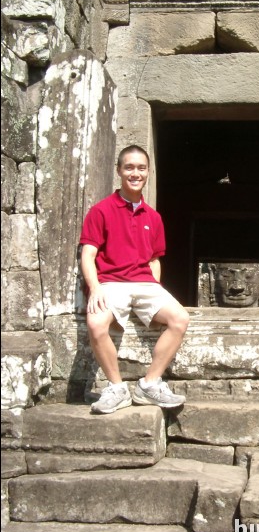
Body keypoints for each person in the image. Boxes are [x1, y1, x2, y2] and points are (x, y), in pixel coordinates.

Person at [79, 145, 190, 414]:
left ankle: (149, 385)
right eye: (129, 167)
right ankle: (117, 388)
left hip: (145, 284)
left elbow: (154, 260)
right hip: (111, 283)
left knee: (180, 318)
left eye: (141, 168)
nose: (135, 173)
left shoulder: (154, 216)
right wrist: (94, 288)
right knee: (96, 323)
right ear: (119, 171)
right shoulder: (101, 210)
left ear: (148, 172)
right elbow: (88, 253)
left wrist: (156, 291)